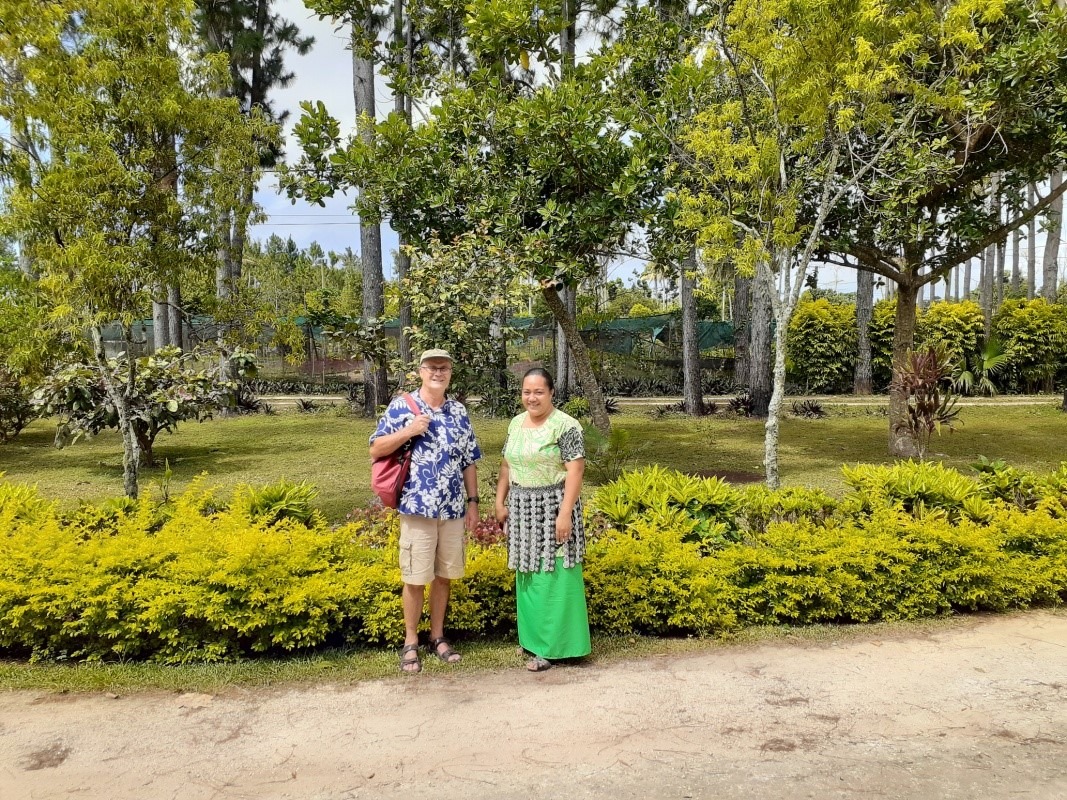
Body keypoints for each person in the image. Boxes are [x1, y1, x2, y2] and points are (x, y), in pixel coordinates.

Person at [369, 348, 482, 674]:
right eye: (432, 367)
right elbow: (375, 448)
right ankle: (410, 641)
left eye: (443, 368)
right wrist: (409, 430)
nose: (438, 373)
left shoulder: (458, 411)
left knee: (444, 576)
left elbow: (469, 460)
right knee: (415, 578)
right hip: (417, 507)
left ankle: (437, 636)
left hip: (451, 509)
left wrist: (473, 502)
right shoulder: (402, 406)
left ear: (450, 373)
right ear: (420, 371)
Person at [494, 367, 591, 672]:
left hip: (553, 507)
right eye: (527, 392)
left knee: (555, 573)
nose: (532, 398)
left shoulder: (565, 425)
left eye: (538, 392)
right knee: (530, 573)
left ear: (551, 393)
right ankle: (533, 640)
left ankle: (556, 646)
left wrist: (565, 513)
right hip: (522, 508)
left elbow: (576, 470)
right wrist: (499, 501)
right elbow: (506, 466)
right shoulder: (515, 423)